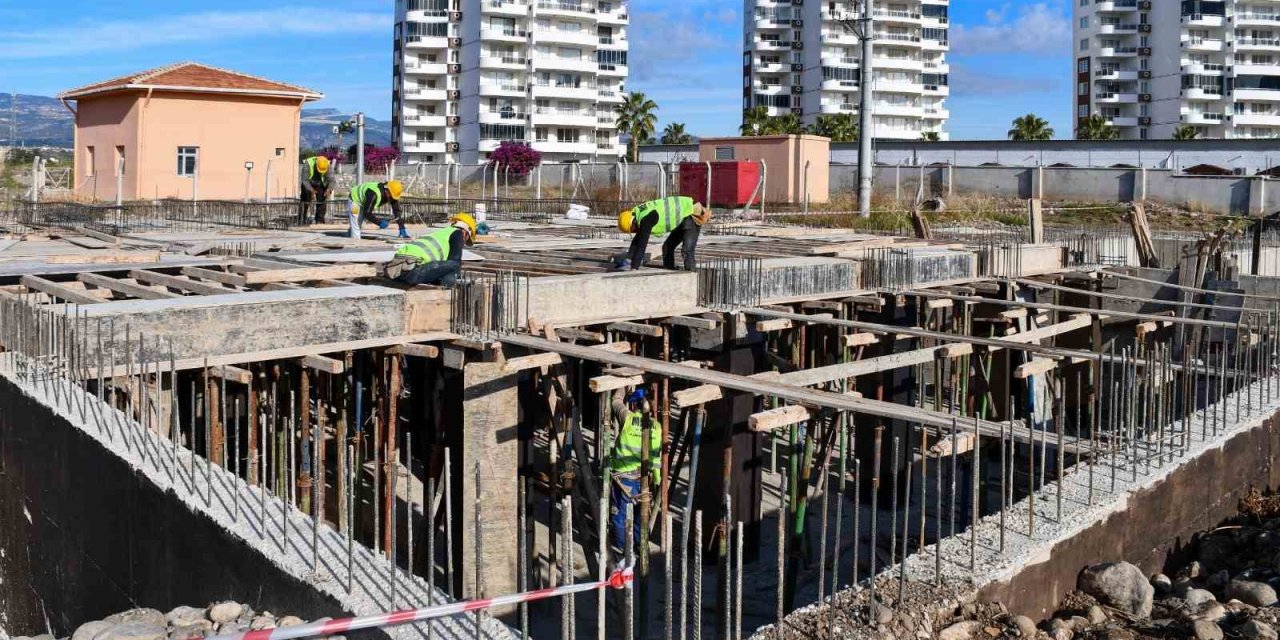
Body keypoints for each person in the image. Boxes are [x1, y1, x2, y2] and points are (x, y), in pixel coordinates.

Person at [608, 388, 662, 550]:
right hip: (644, 479)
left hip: (624, 480)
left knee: (619, 516)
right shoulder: (657, 426)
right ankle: (637, 546)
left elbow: (615, 402)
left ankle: (620, 550)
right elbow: (656, 457)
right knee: (640, 514)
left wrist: (623, 387)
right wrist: (657, 482)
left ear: (633, 406)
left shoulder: (628, 418)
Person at [617, 196, 711, 271]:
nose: (634, 232)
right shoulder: (638, 214)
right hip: (682, 217)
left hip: (691, 213)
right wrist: (628, 259)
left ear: (632, 222)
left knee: (687, 250)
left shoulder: (646, 219)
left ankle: (691, 278)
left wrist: (634, 267)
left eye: (632, 230)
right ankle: (669, 272)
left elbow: (642, 244)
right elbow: (637, 239)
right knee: (667, 247)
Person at [382, 213, 476, 287]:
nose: (463, 243)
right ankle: (447, 287)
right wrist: (456, 277)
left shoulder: (442, 233)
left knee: (447, 266)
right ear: (466, 232)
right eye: (466, 240)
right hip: (413, 271)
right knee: (455, 264)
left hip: (396, 270)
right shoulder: (458, 233)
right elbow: (455, 260)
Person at [298, 156, 332, 225]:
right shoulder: (308, 163)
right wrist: (311, 190)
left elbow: (332, 180)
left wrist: (329, 189)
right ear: (316, 164)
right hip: (308, 183)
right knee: (305, 201)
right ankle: (302, 220)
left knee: (322, 201)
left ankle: (320, 221)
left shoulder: (327, 165)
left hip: (320, 184)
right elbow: (304, 180)